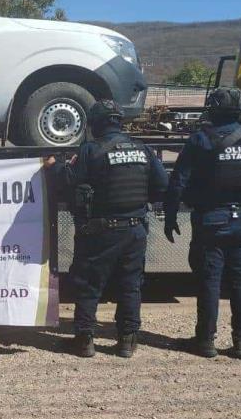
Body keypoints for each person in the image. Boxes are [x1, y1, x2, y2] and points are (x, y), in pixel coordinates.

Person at [164, 87, 241, 359]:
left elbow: (178, 181)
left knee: (209, 280)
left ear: (212, 109)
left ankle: (205, 341)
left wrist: (171, 216)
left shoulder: (200, 139)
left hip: (211, 220)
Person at [45, 100, 168, 358]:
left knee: (90, 285)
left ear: (96, 124)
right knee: (130, 286)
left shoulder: (91, 150)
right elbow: (161, 185)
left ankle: (84, 341)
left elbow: (69, 179)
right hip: (135, 230)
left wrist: (53, 166)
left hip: (100, 230)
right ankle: (126, 341)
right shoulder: (142, 149)